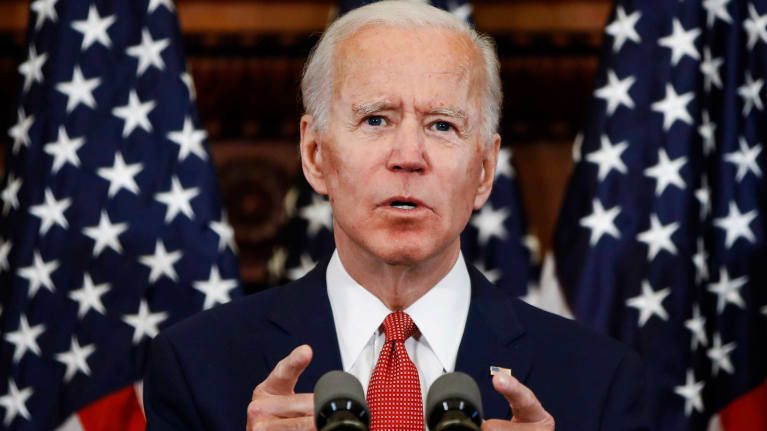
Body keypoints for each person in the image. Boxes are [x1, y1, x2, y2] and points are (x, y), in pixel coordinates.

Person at [143, 2, 649, 430]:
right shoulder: (197, 367)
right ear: (315, 155)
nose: (409, 155)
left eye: (442, 125)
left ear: (484, 170)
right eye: (376, 119)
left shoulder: (599, 382)